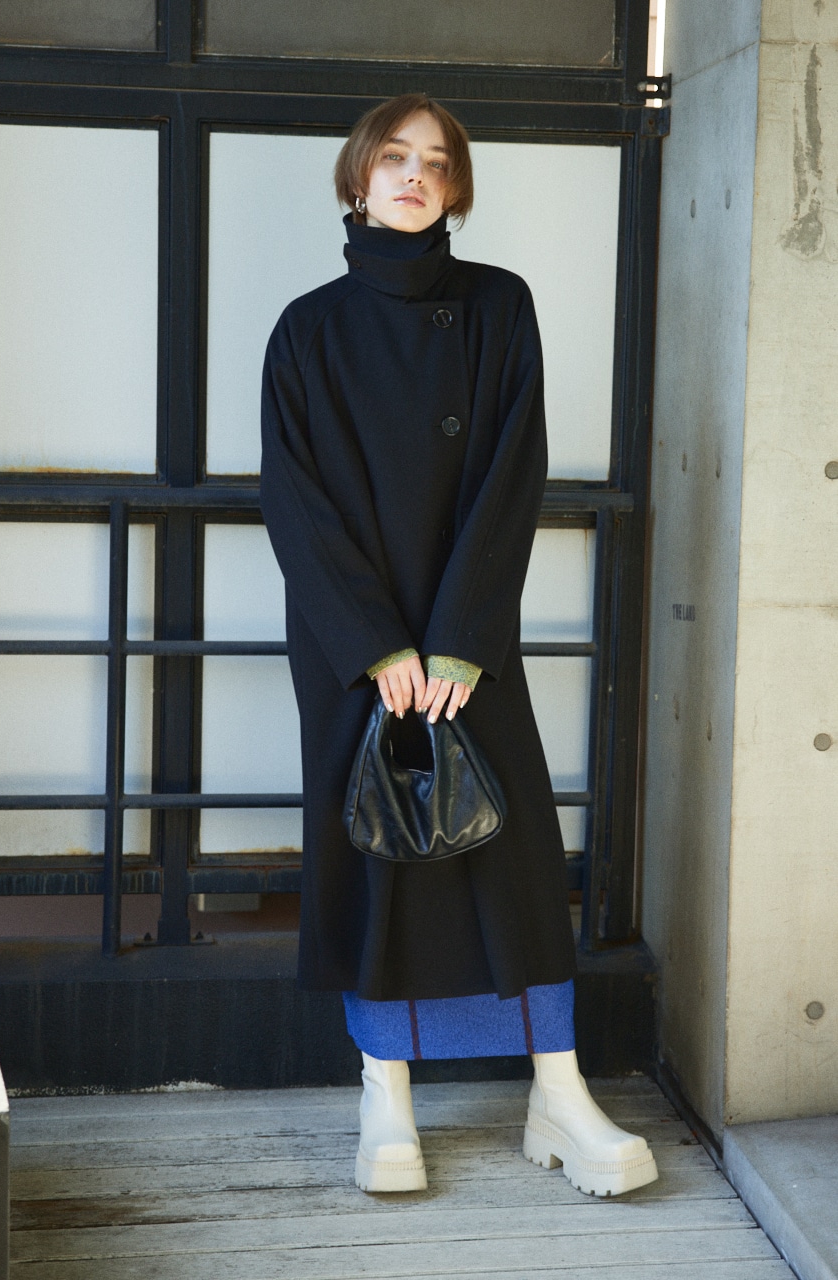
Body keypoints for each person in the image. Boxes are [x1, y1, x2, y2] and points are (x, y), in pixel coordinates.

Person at [260, 94, 658, 1198]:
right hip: (355, 643)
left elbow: (509, 477)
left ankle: (558, 1093)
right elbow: (293, 498)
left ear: (455, 188)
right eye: (394, 157)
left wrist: (456, 641)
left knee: (510, 853)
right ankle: (383, 1094)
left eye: (436, 163)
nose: (413, 176)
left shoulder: (497, 304)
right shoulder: (306, 327)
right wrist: (374, 643)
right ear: (358, 176)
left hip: (467, 637)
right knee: (377, 853)